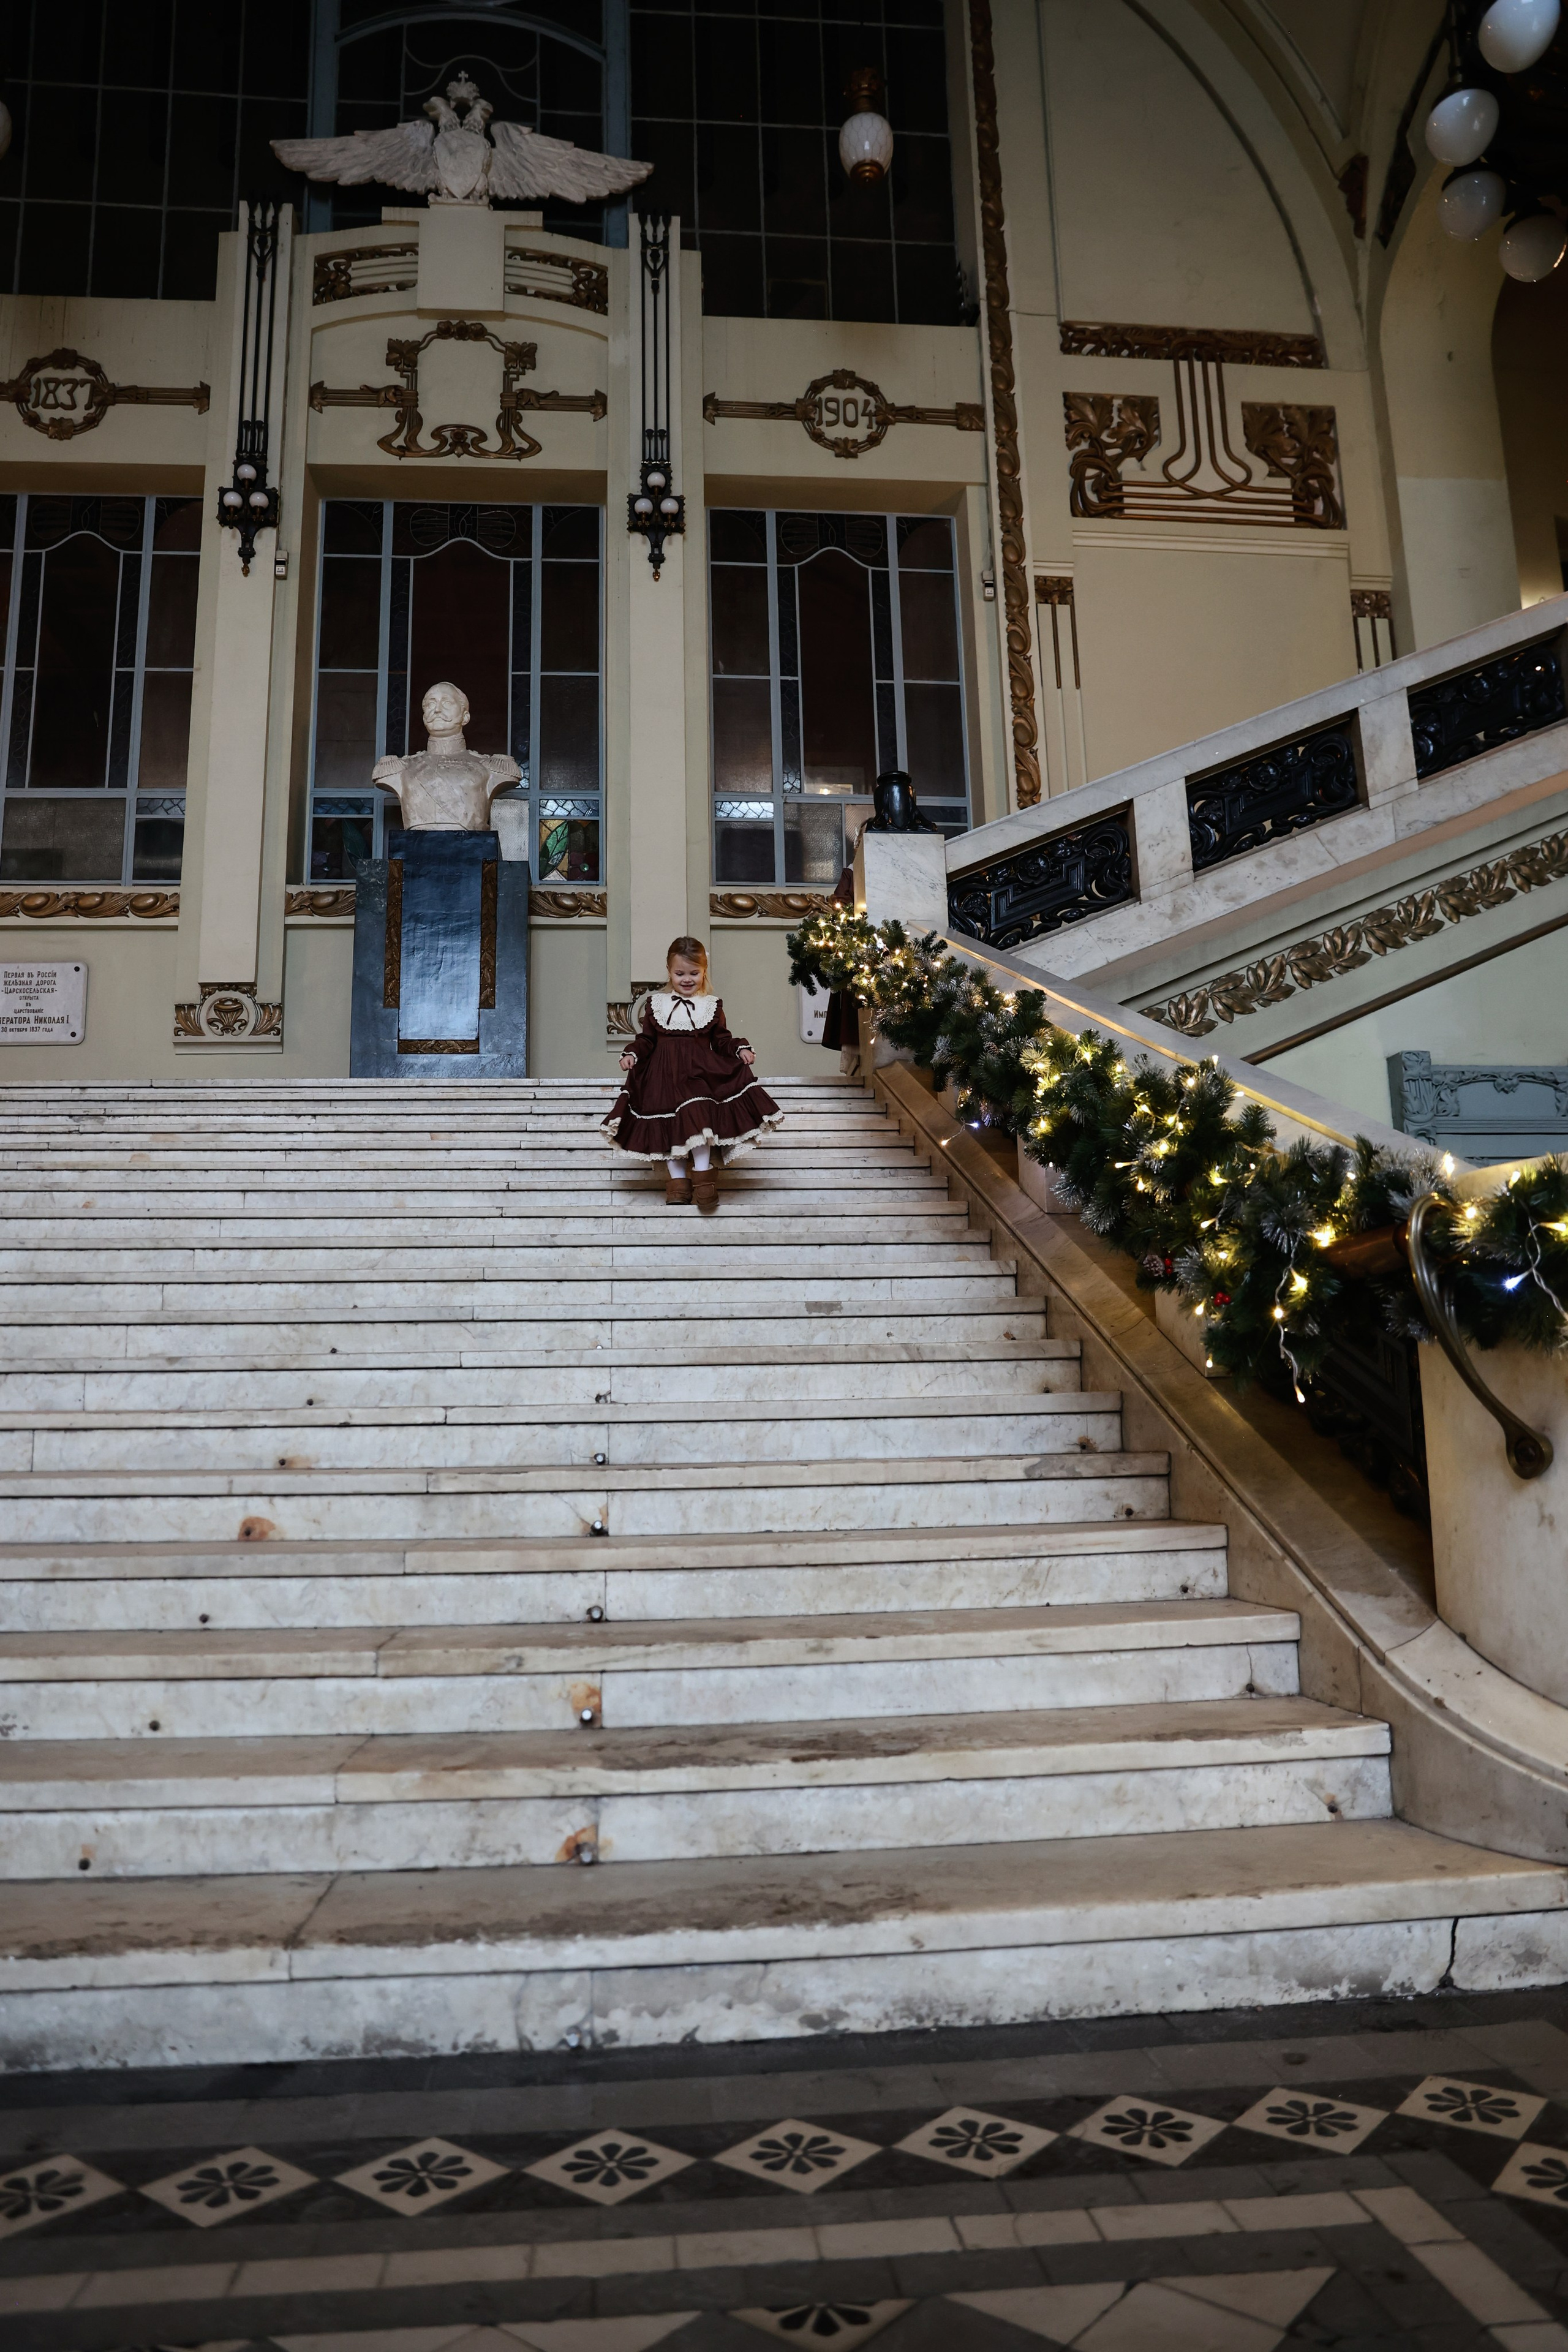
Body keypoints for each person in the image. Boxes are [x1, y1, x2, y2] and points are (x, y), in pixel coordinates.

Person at [602, 936, 783, 1210]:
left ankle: (704, 1180)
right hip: (662, 1077)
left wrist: (739, 1049)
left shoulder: (711, 1005)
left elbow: (722, 1039)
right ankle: (678, 1186)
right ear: (669, 971)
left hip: (699, 1072)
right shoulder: (656, 1005)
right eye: (680, 973)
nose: (687, 979)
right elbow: (647, 1040)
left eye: (694, 973)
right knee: (669, 1127)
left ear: (704, 972)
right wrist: (632, 1053)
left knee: (699, 1120)